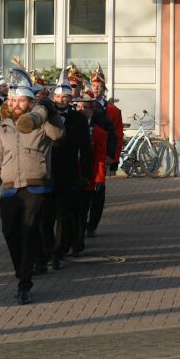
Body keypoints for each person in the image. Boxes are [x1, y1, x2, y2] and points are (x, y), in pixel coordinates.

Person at [0, 68, 64, 305]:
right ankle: (22, 271)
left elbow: (58, 135)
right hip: (10, 186)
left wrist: (52, 113)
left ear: (30, 102)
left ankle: (24, 283)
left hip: (35, 185)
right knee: (9, 232)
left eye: (20, 100)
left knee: (29, 232)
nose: (15, 104)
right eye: (12, 100)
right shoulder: (3, 126)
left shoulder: (40, 122)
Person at [47, 71, 92, 271]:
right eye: (58, 97)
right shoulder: (45, 117)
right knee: (46, 215)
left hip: (69, 172)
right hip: (46, 172)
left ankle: (58, 251)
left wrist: (86, 174)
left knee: (64, 215)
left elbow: (86, 148)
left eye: (65, 97)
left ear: (71, 99)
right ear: (53, 98)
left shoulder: (79, 118)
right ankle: (46, 249)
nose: (62, 100)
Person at [87, 65, 123, 237]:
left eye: (99, 86)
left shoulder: (113, 111)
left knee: (99, 190)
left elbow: (118, 135)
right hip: (85, 154)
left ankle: (92, 225)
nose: (96, 89)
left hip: (102, 155)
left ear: (104, 88)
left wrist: (113, 157)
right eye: (93, 85)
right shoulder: (82, 105)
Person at [75, 90, 109, 251]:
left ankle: (78, 241)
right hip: (71, 174)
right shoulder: (69, 126)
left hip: (88, 177)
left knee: (82, 211)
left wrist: (100, 178)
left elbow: (101, 157)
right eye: (78, 107)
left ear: (92, 110)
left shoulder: (98, 132)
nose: (81, 110)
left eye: (84, 107)